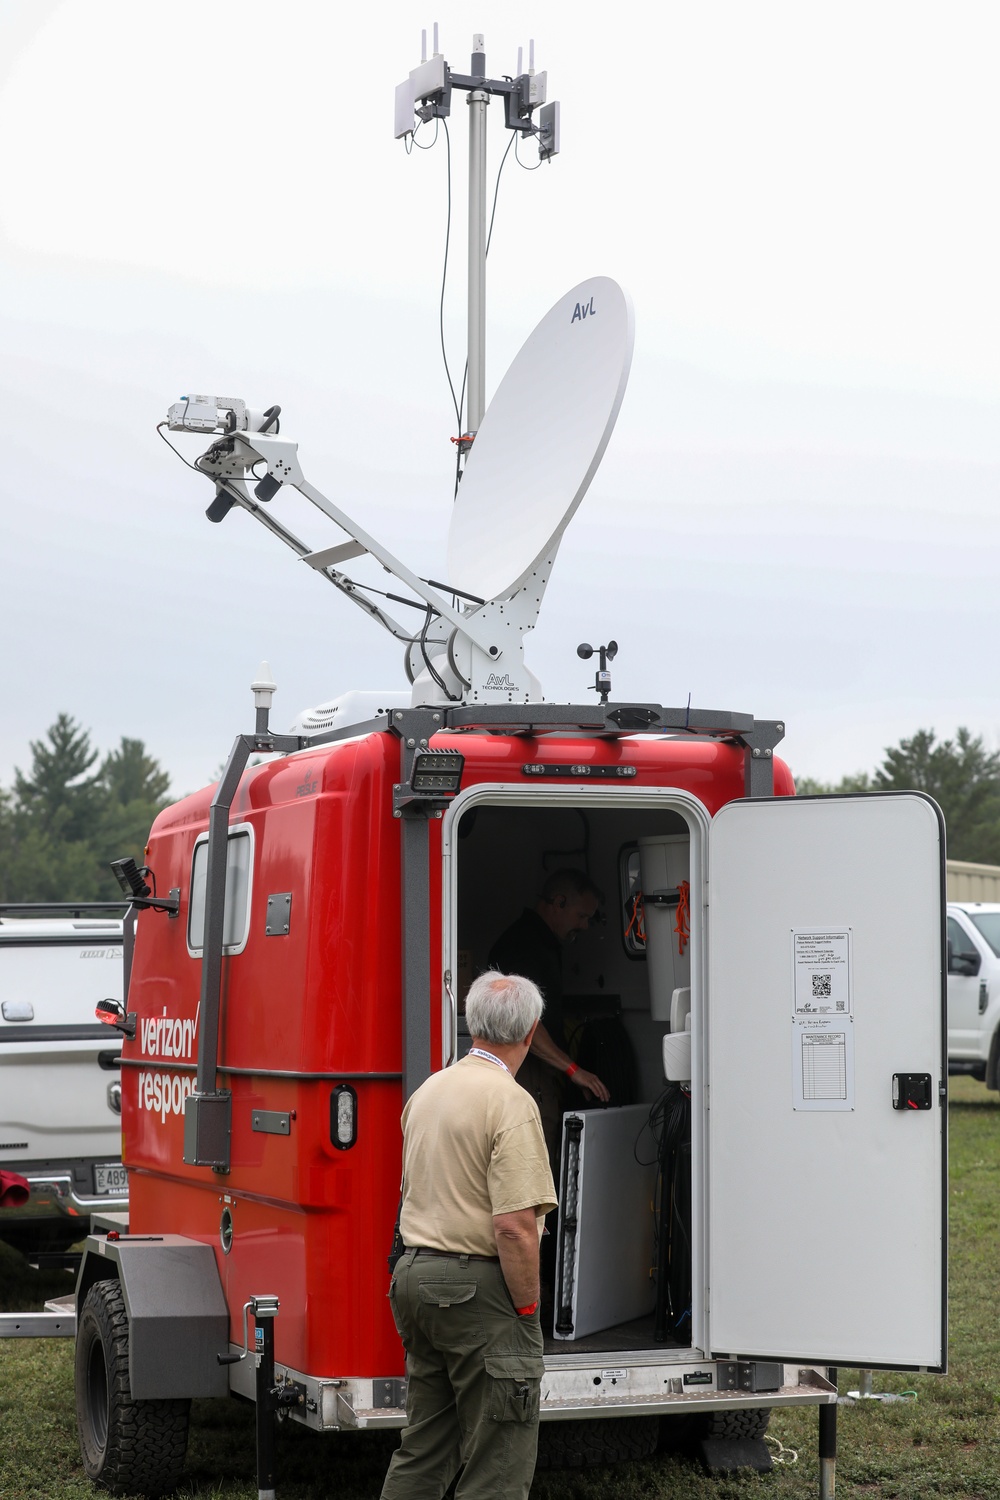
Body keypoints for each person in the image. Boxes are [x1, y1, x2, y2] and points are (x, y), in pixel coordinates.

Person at [380, 972, 557, 1500]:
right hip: (476, 1290)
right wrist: (526, 1312)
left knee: (425, 1446)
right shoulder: (511, 1102)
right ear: (530, 1031)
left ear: (472, 1023)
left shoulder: (429, 1090)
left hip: (414, 1277)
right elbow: (515, 1226)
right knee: (498, 1459)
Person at [488, 869, 611, 1172]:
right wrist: (573, 1070)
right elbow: (526, 1020)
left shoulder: (541, 942)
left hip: (538, 1071)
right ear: (558, 902)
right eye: (582, 916)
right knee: (532, 1168)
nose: (584, 926)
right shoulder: (526, 946)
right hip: (526, 1072)